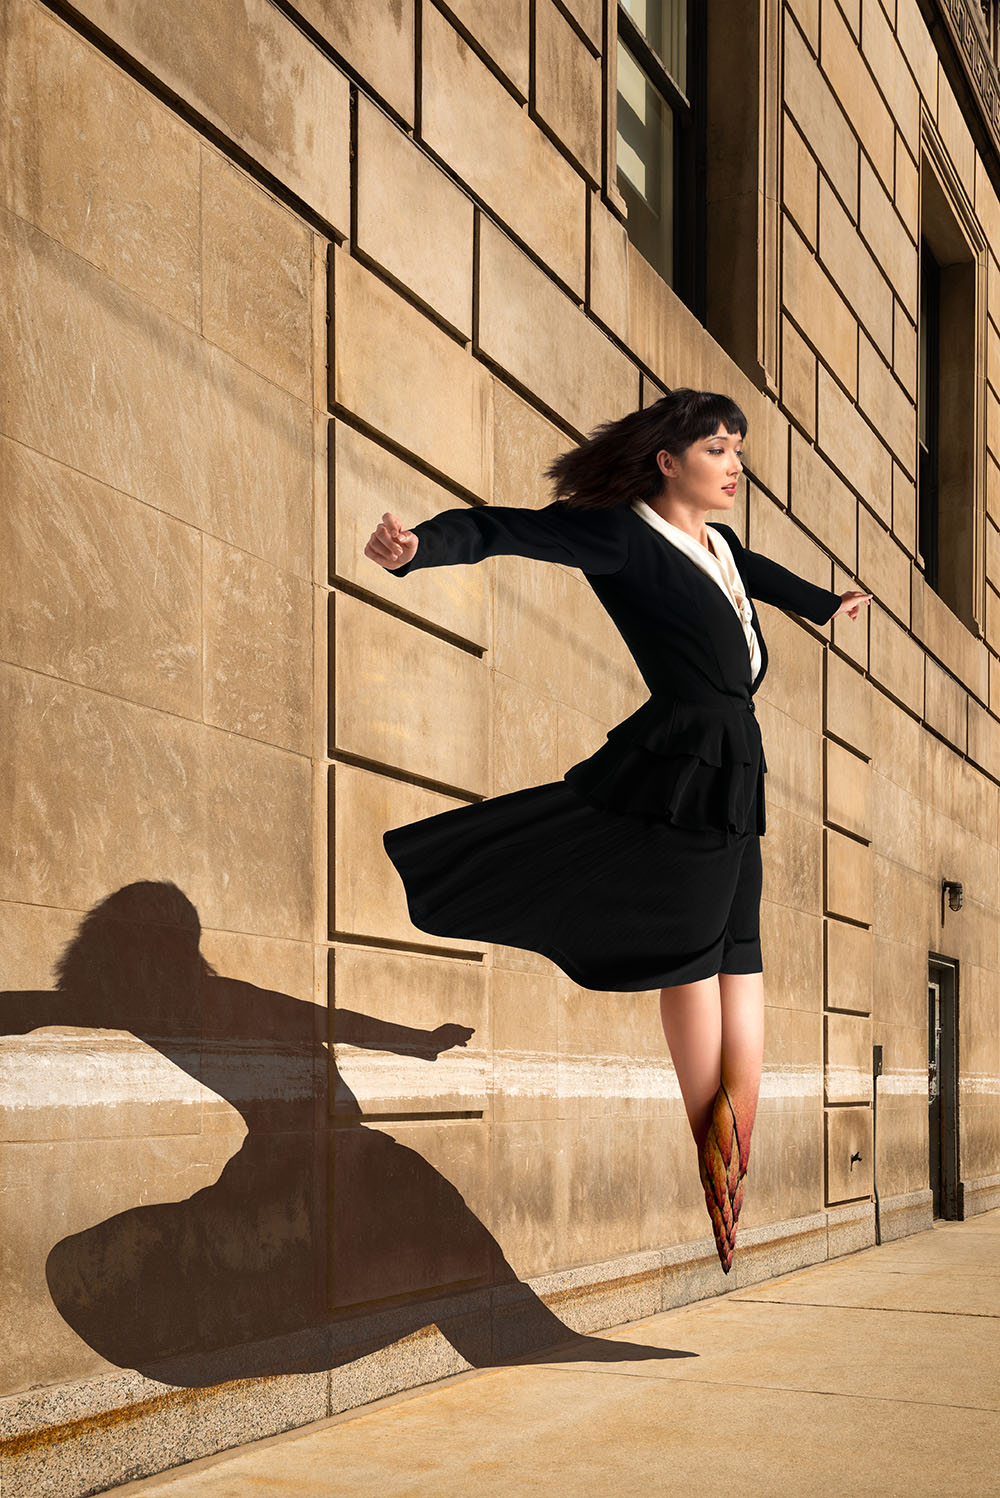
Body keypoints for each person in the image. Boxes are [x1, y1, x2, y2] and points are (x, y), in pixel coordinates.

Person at [364, 388, 872, 1273]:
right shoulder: (622, 534)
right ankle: (718, 1174)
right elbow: (503, 528)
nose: (735, 467)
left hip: (735, 767)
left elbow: (765, 582)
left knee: (740, 956)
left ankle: (728, 1178)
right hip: (681, 763)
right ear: (668, 460)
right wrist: (416, 551)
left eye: (739, 452)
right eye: (718, 450)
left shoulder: (720, 547)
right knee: (695, 953)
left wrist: (828, 603)